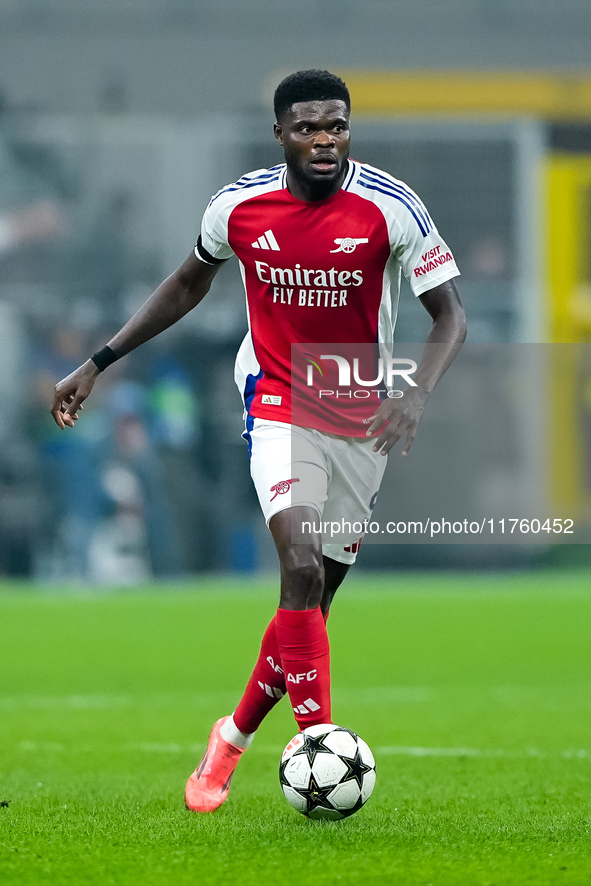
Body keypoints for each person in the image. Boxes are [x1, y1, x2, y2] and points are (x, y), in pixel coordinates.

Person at [51, 70, 467, 813]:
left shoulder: (389, 206)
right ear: (280, 134)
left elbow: (450, 316)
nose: (323, 139)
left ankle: (232, 737)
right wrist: (99, 362)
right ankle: (319, 745)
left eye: (335, 125)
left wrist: (413, 394)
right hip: (275, 398)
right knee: (298, 565)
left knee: (310, 604)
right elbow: (186, 283)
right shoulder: (238, 206)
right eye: (307, 126)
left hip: (360, 416)